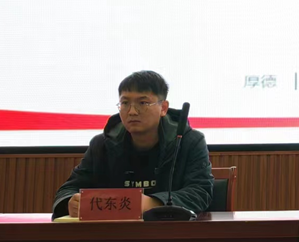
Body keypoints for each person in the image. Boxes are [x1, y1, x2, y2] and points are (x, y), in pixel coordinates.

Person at [52, 71, 214, 219]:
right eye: (125, 103)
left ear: (163, 108)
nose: (132, 112)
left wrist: (152, 203)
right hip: (112, 234)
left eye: (143, 103)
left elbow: (200, 192)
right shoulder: (102, 144)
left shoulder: (189, 141)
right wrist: (70, 202)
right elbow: (68, 190)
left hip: (170, 233)